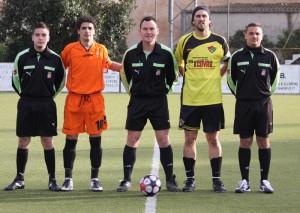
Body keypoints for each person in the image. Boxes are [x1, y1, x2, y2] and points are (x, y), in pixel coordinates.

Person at [117, 16, 180, 192]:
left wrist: (164, 90)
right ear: (140, 31)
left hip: (159, 102)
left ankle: (170, 180)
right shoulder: (130, 53)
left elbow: (173, 76)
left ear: (157, 31)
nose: (148, 32)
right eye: (145, 29)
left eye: (152, 29)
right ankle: (126, 180)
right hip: (137, 102)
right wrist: (134, 92)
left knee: (163, 139)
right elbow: (124, 76)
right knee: (132, 139)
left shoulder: (166, 53)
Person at [60, 16, 121, 192]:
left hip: (95, 102)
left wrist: (129, 66)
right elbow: (58, 67)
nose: (87, 31)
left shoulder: (101, 49)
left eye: (90, 28)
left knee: (96, 140)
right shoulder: (70, 49)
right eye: (84, 28)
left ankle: (95, 178)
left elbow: (109, 64)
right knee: (71, 140)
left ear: (94, 31)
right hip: (74, 100)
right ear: (78, 31)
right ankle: (68, 178)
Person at [175, 6, 230, 192]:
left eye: (204, 16)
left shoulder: (219, 41)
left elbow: (228, 62)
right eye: (197, 16)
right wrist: (188, 75)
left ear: (209, 20)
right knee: (190, 138)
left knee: (213, 139)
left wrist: (216, 76)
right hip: (190, 100)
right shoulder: (184, 42)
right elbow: (179, 64)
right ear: (193, 21)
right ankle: (190, 180)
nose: (201, 19)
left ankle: (217, 180)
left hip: (212, 100)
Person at [5, 22, 65, 191]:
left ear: (48, 37)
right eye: (37, 35)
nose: (40, 38)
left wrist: (48, 96)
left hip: (46, 104)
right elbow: (15, 81)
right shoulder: (22, 57)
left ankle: (52, 179)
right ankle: (19, 178)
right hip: (26, 104)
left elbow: (61, 82)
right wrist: (26, 96)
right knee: (24, 139)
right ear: (32, 37)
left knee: (47, 140)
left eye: (44, 35)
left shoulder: (55, 59)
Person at [227, 23, 280, 194]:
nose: (254, 36)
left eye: (257, 34)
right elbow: (230, 80)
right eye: (251, 33)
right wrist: (242, 95)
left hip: (264, 104)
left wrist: (263, 95)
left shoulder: (270, 56)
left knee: (263, 141)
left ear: (262, 36)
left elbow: (275, 80)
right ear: (245, 35)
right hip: (243, 104)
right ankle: (245, 181)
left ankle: (265, 181)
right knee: (245, 142)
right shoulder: (236, 56)